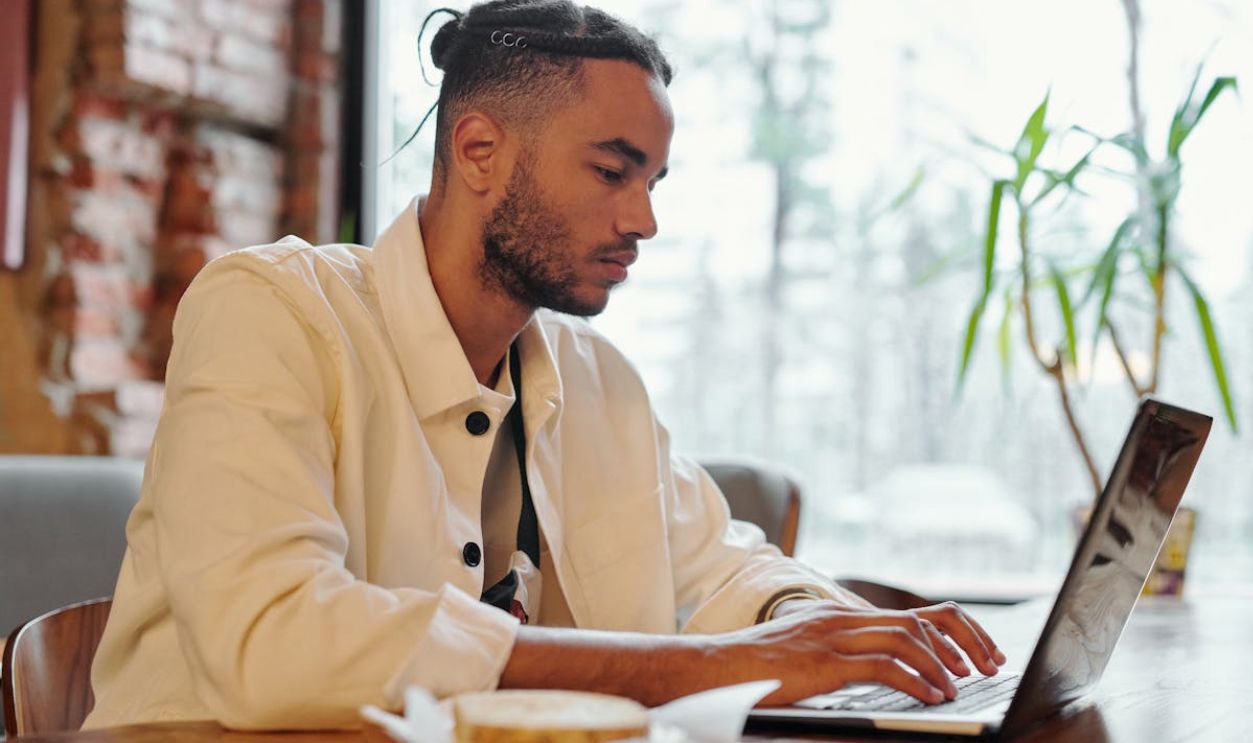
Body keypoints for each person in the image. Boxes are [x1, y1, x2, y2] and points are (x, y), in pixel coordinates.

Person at [85, 0, 1005, 731]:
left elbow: (718, 568)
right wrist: (703, 668)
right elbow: (274, 641)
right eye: (613, 171)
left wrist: (836, 633)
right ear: (479, 149)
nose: (644, 220)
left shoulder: (596, 375)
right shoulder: (269, 307)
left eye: (652, 182)